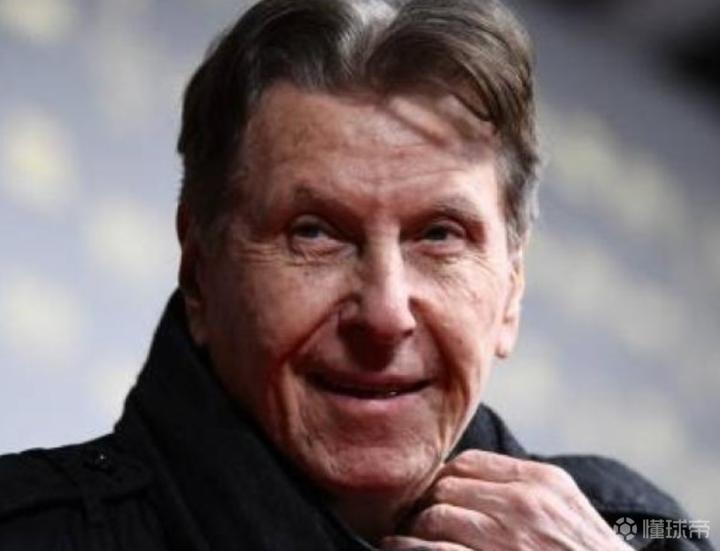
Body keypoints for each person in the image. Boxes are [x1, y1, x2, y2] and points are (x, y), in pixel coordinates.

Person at [0, 0, 712, 549]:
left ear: (512, 292)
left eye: (440, 235)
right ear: (199, 272)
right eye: (314, 233)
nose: (385, 314)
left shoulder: (643, 527)